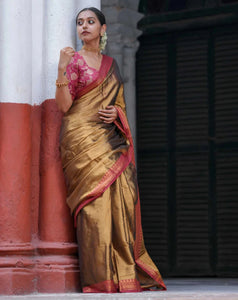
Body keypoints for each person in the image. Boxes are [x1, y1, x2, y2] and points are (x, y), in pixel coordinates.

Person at [55, 7, 166, 293]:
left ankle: (124, 274)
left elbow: (120, 105)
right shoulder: (74, 60)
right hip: (81, 139)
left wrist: (116, 115)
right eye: (80, 23)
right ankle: (99, 278)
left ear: (103, 29)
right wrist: (60, 68)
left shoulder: (111, 64)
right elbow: (65, 106)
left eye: (91, 21)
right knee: (94, 207)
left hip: (110, 140)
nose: (84, 26)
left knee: (123, 197)